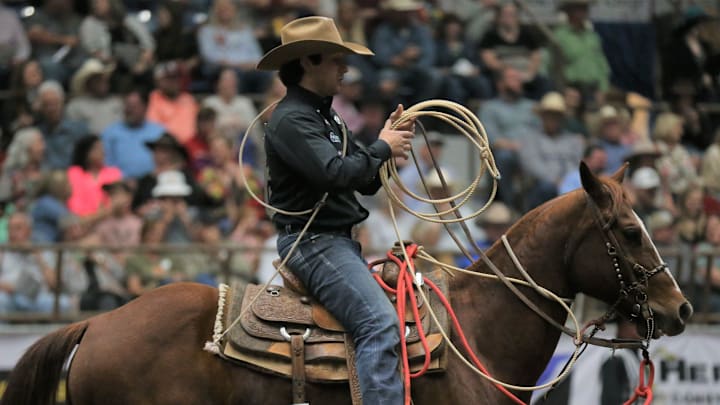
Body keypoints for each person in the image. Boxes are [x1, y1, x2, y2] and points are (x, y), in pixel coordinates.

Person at [256, 16, 415, 403]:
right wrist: (381, 147)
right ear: (309, 61)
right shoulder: (292, 119)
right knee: (379, 323)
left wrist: (386, 149)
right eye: (335, 60)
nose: (345, 68)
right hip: (315, 244)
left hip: (336, 243)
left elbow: (362, 181)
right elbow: (334, 173)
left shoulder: (326, 117)